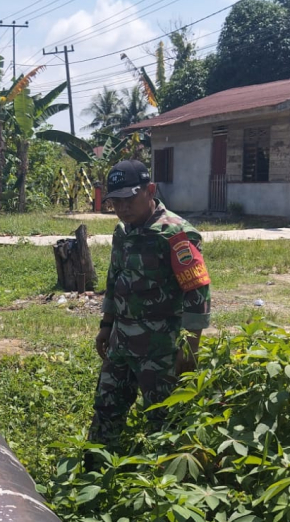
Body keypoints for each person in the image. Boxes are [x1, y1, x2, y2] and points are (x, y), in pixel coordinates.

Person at [88, 159, 211, 454]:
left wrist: (191, 347)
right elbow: (114, 277)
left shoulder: (176, 234)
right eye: (116, 202)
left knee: (161, 421)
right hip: (121, 342)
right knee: (105, 409)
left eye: (130, 199)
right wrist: (106, 326)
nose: (123, 207)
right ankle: (94, 477)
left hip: (161, 349)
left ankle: (157, 488)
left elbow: (197, 290)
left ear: (150, 190)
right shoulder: (123, 232)